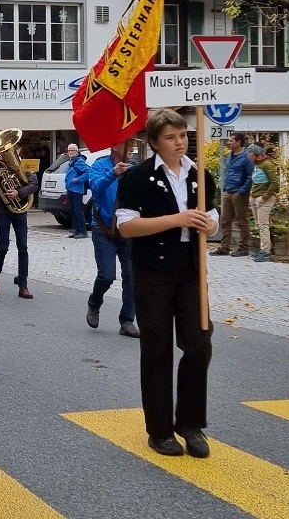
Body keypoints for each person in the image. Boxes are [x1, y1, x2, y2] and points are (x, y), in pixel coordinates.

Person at [115, 109, 219, 458]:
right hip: (153, 273)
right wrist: (176, 219)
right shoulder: (137, 178)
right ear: (155, 143)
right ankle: (159, 430)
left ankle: (190, 423)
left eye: (183, 135)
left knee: (199, 343)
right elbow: (125, 227)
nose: (180, 142)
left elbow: (214, 218)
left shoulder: (200, 175)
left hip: (191, 271)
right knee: (157, 349)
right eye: (172, 137)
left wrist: (209, 225)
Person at [86, 139, 139, 337]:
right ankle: (94, 303)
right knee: (107, 275)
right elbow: (96, 188)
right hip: (103, 229)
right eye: (128, 144)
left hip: (127, 230)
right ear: (116, 147)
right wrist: (113, 173)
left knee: (132, 277)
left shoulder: (134, 169)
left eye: (133, 145)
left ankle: (127, 321)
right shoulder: (100, 165)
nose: (132, 148)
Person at [0, 152, 39, 299]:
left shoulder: (24, 165)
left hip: (20, 208)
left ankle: (23, 285)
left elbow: (34, 185)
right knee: (3, 246)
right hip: (2, 210)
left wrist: (19, 192)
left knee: (23, 247)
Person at [211, 132, 254, 258]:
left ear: (238, 142)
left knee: (242, 221)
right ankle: (225, 247)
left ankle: (243, 248)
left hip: (239, 193)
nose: (228, 142)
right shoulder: (230, 156)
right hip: (228, 191)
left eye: (231, 140)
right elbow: (229, 172)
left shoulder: (247, 157)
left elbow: (250, 176)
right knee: (225, 220)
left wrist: (242, 191)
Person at [247, 144, 280, 263]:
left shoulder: (267, 164)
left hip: (264, 199)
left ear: (256, 153)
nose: (248, 155)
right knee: (259, 224)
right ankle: (263, 249)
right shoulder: (256, 164)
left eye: (250, 152)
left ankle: (266, 252)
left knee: (263, 225)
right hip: (254, 197)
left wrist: (264, 197)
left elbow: (275, 183)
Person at [64, 144, 91, 239]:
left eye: (72, 150)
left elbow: (88, 172)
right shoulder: (72, 161)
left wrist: (78, 180)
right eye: (69, 150)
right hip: (71, 189)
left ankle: (83, 231)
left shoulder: (79, 161)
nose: (70, 152)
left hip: (77, 189)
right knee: (74, 211)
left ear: (76, 151)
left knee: (78, 211)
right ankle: (76, 230)